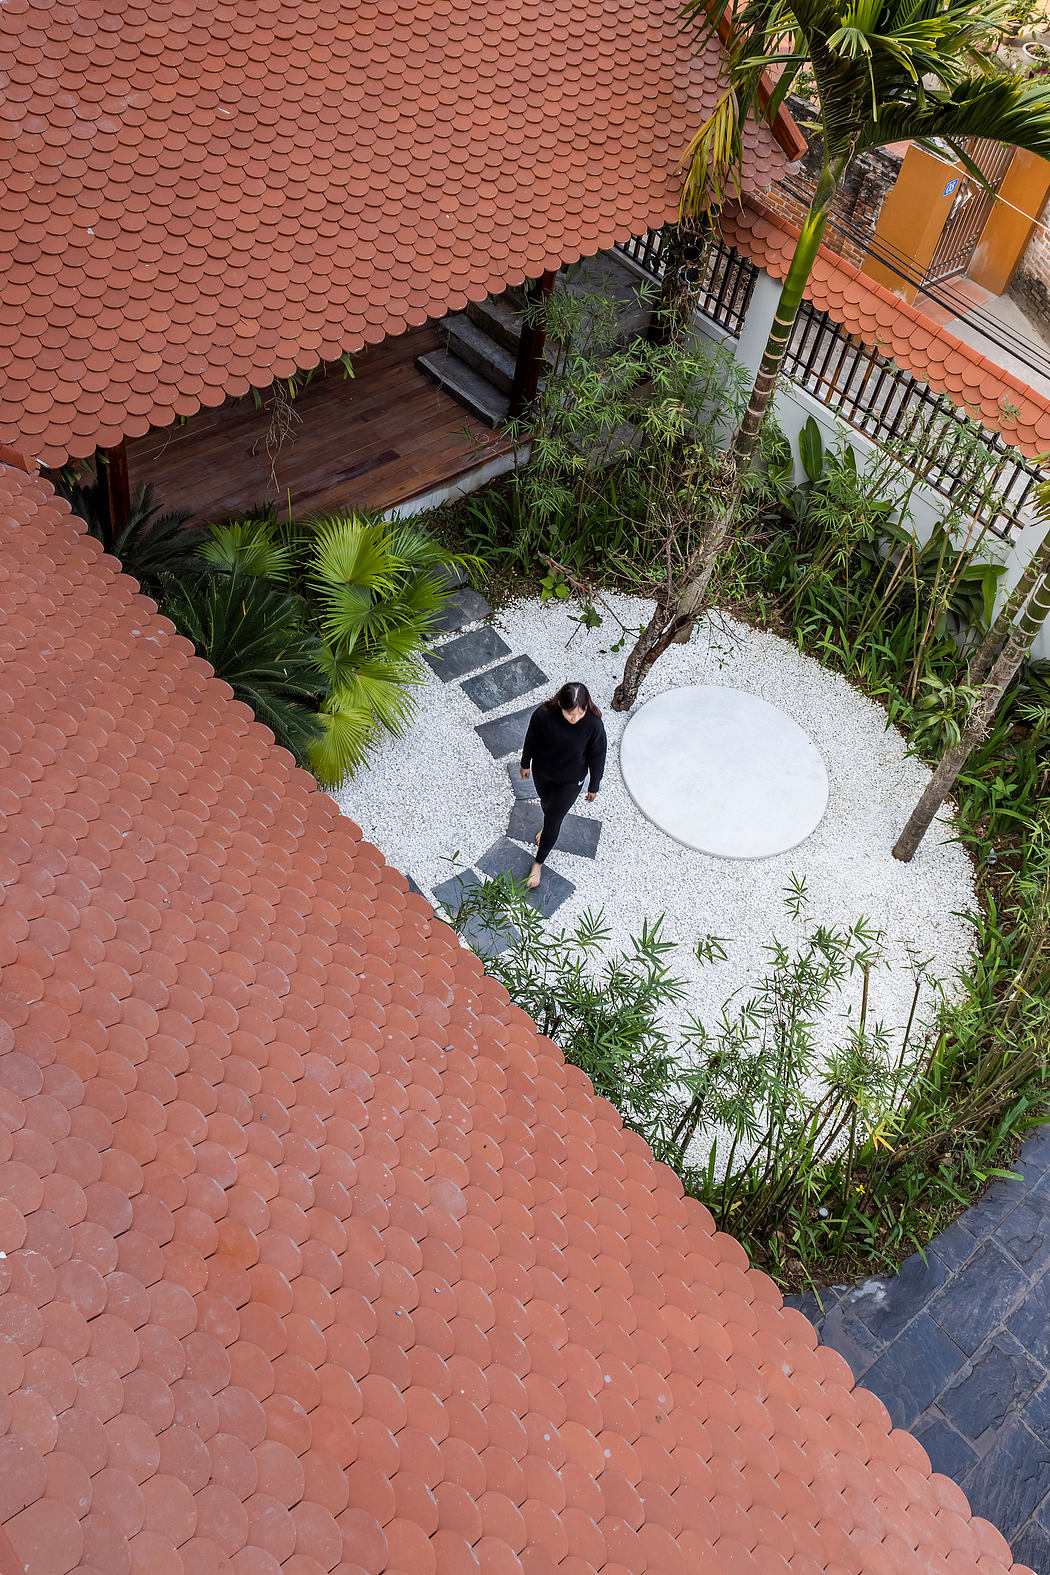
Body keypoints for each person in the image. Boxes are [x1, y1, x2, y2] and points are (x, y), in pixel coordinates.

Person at [519, 682, 606, 889]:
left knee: (554, 818)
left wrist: (594, 784)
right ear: (560, 704)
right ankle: (547, 826)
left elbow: (598, 756)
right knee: (547, 805)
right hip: (544, 772)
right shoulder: (543, 715)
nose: (575, 718)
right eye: (570, 713)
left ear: (587, 706)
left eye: (580, 712)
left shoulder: (594, 725)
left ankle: (538, 863)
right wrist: (525, 763)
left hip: (570, 780)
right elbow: (531, 739)